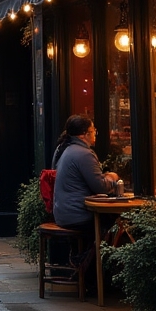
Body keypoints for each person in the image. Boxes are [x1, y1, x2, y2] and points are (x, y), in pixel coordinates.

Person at [51, 114, 119, 266]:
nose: (95, 133)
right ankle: (89, 269)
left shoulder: (64, 149)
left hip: (63, 212)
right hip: (78, 215)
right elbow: (100, 186)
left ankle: (84, 264)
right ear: (85, 134)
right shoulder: (83, 154)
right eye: (93, 130)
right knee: (115, 225)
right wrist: (112, 177)